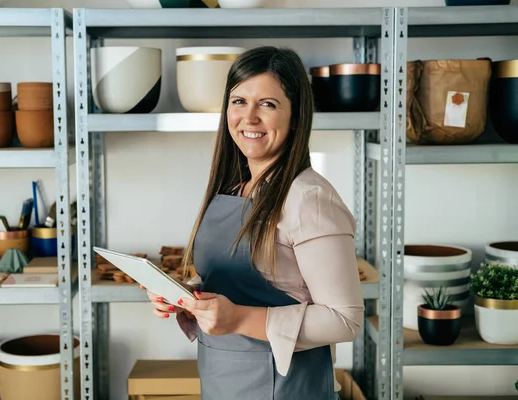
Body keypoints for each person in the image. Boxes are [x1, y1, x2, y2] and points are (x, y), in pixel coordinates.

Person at [143, 46, 365, 400]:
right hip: (224, 381)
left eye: (268, 104)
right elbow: (236, 282)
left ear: (295, 115)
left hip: (284, 388)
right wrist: (185, 296)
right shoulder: (235, 188)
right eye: (239, 101)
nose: (249, 118)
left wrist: (240, 319)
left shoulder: (309, 198)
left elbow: (345, 319)